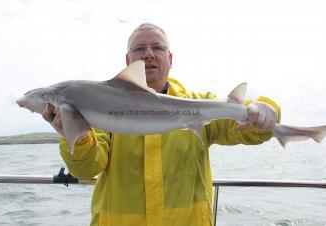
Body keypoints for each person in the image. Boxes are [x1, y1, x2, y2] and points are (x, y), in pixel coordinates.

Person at [43, 23, 280, 226]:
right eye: (139, 49)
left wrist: (265, 110)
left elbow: (250, 133)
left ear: (170, 58)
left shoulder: (199, 104)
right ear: (128, 60)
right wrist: (74, 132)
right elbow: (86, 170)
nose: (148, 54)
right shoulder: (100, 109)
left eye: (157, 47)